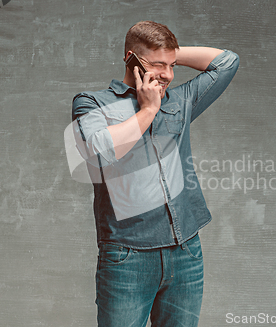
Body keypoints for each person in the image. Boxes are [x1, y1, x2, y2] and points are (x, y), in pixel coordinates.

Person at [71, 21, 239, 327]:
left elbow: (226, 61)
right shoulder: (92, 103)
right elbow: (98, 152)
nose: (169, 75)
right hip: (128, 257)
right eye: (158, 65)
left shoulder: (179, 101)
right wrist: (147, 110)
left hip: (186, 251)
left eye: (172, 65)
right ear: (130, 58)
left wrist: (167, 54)